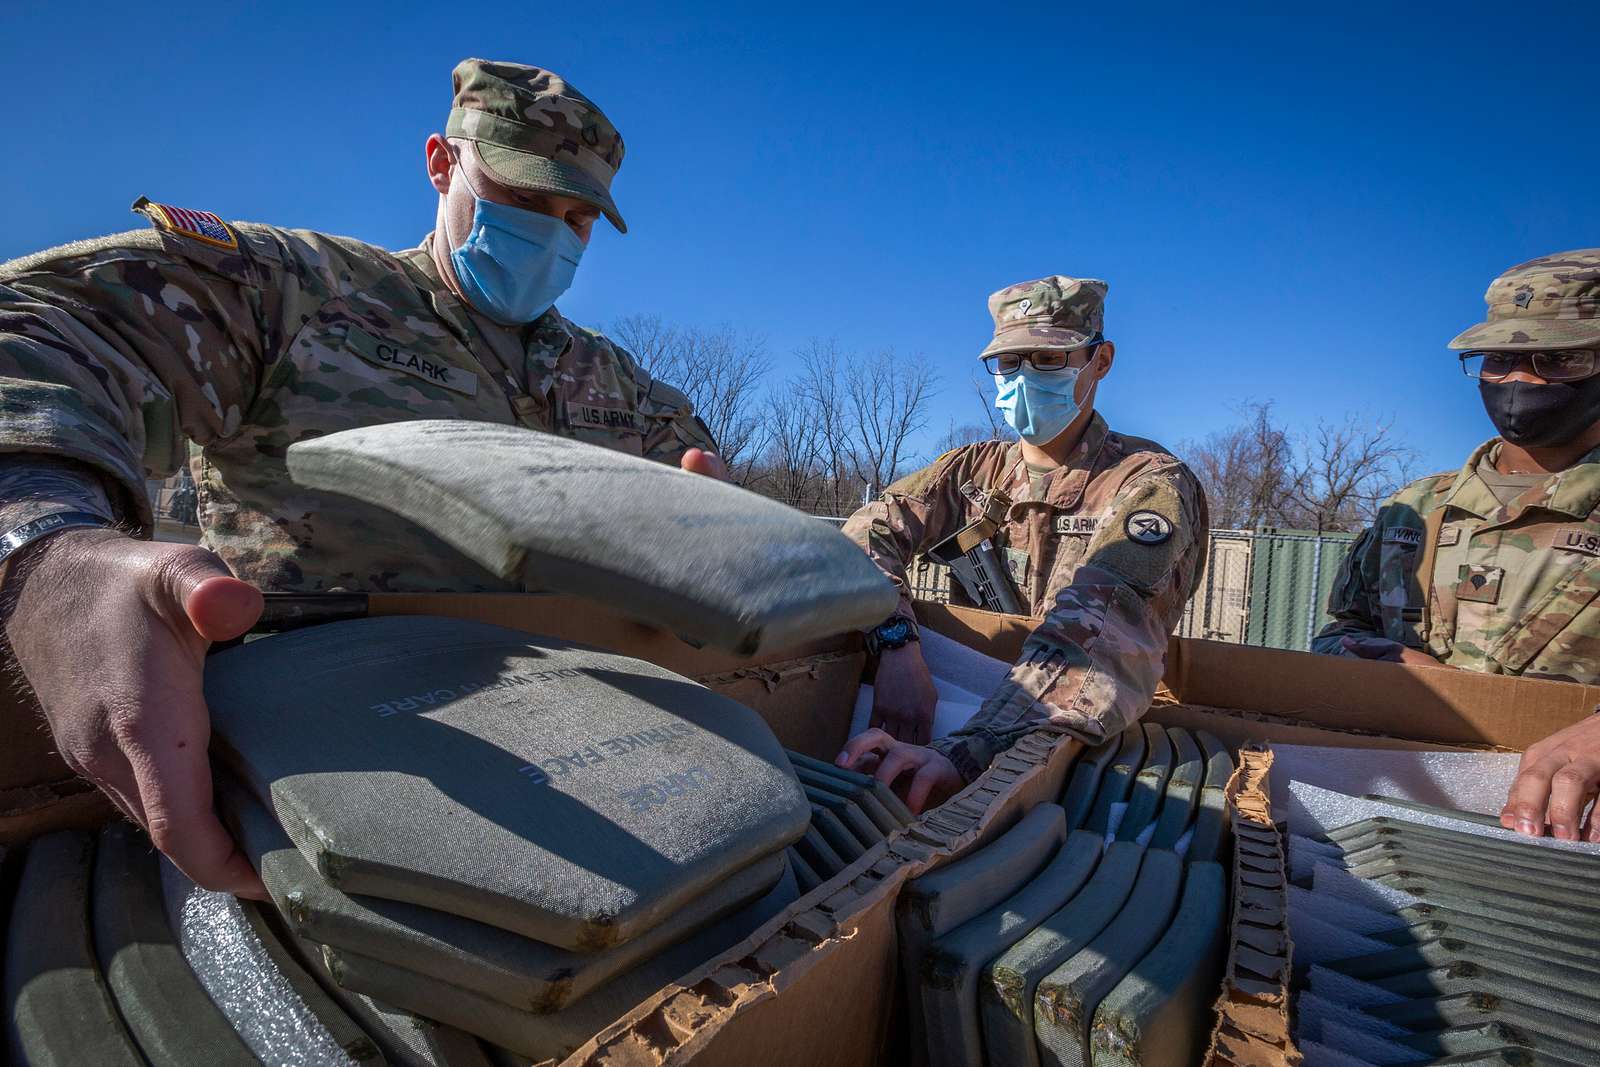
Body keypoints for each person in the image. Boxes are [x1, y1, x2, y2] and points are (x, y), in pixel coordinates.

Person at [0, 59, 724, 896]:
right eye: (526, 198)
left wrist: (704, 541)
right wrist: (40, 543)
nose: (555, 234)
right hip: (321, 759)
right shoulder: (301, 295)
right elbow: (38, 327)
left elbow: (699, 497)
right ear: (442, 163)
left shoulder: (610, 377)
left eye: (579, 217)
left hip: (569, 747)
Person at [835, 276, 1208, 812]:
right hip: (959, 707)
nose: (1024, 378)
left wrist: (968, 752)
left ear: (1099, 361)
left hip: (1060, 741)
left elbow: (1103, 632)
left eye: (1049, 359)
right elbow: (864, 536)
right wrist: (895, 644)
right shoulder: (971, 470)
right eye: (1010, 363)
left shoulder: (1148, 483)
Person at [1310, 249, 1600, 842]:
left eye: (1556, 359)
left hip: (1559, 832)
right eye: (1500, 359)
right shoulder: (1413, 509)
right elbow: (1338, 632)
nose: (1520, 382)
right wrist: (1380, 661)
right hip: (1385, 806)